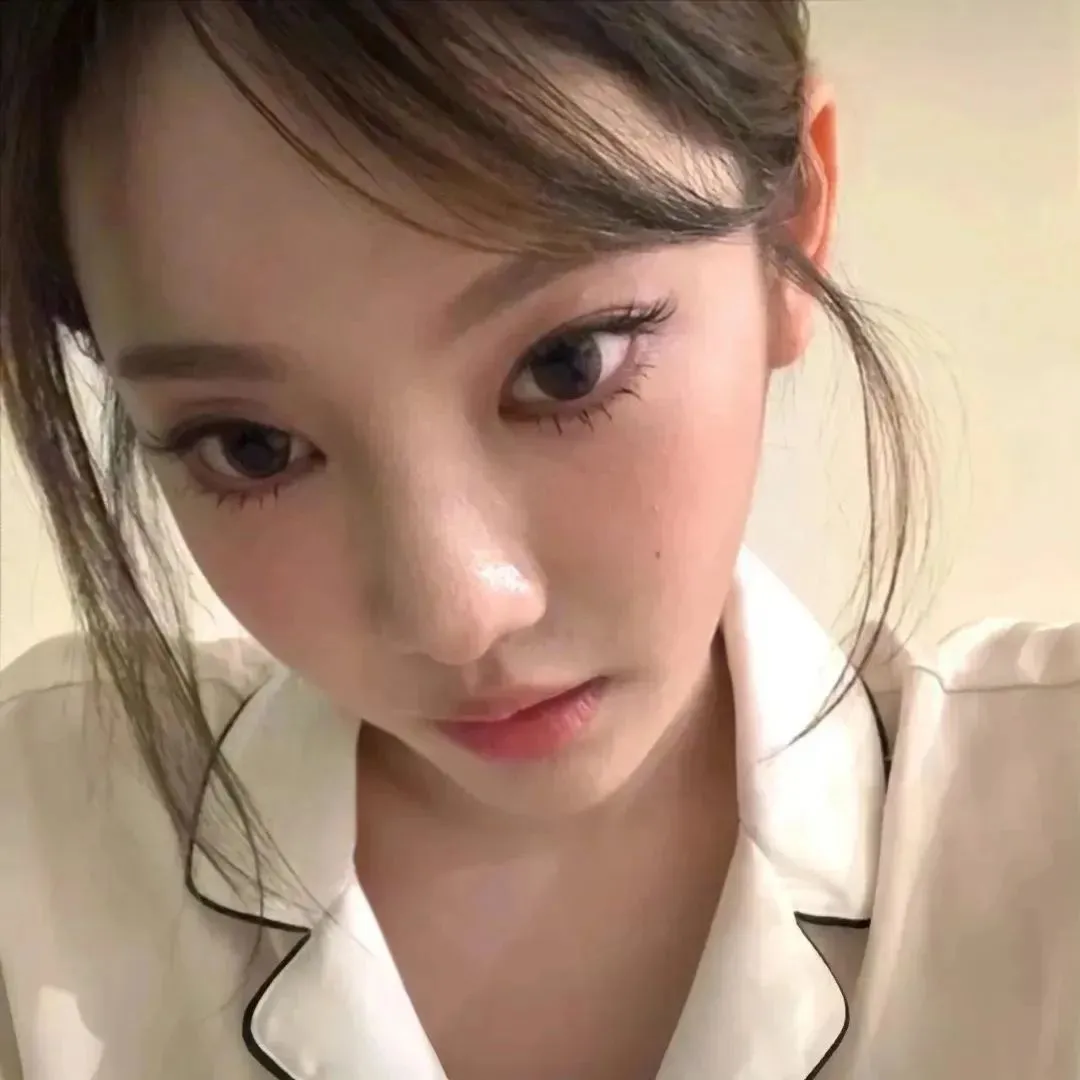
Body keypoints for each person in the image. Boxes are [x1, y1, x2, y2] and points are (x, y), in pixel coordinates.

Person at [0, 3, 1076, 1078]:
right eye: (251, 447)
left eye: (567, 366)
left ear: (789, 229)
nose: (457, 613)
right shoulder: (40, 858)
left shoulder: (1048, 818)